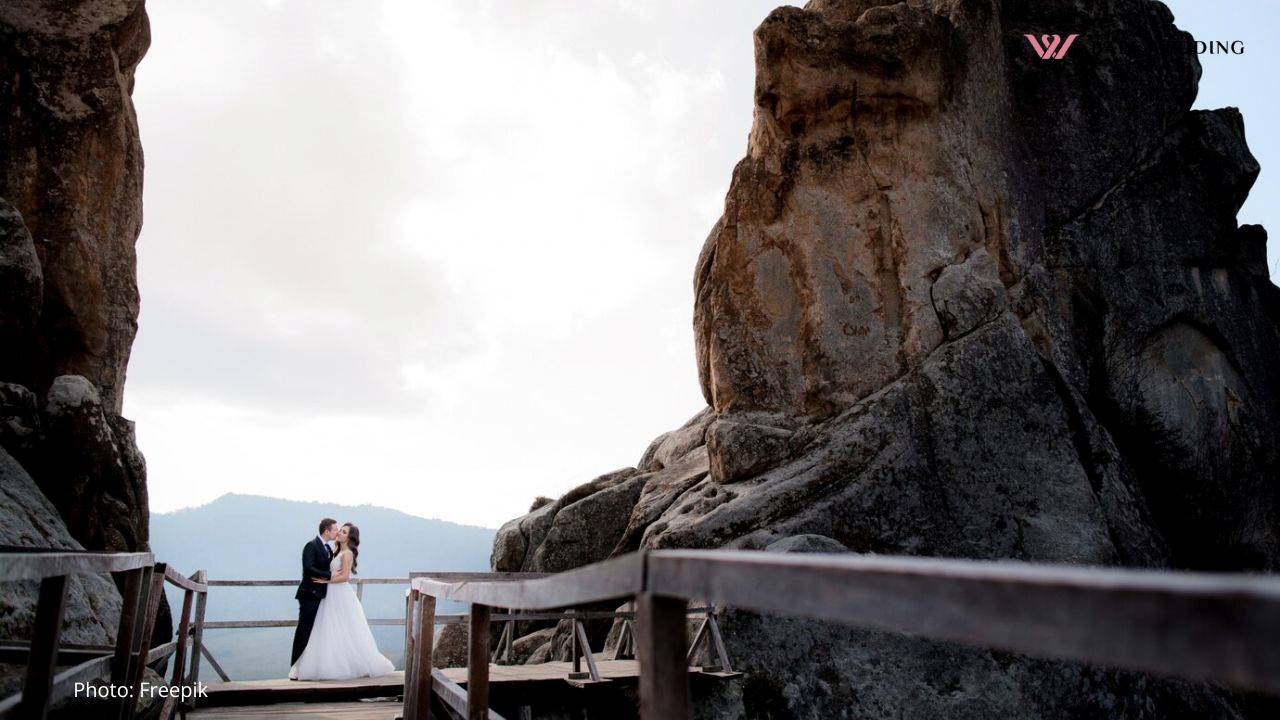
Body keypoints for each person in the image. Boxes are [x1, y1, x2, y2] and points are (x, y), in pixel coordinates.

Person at [289, 522, 395, 680]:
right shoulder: (334, 550)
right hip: (327, 594)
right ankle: (312, 665)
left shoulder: (347, 554)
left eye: (343, 532)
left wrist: (326, 581)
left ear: (349, 538)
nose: (339, 533)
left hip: (338, 592)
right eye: (339, 531)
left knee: (343, 628)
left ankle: (350, 664)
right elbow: (315, 568)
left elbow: (345, 577)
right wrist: (327, 579)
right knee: (326, 628)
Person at [291, 518, 339, 666]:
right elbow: (308, 567)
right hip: (309, 594)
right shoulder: (311, 546)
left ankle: (309, 666)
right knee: (304, 630)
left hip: (321, 595)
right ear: (327, 531)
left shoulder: (328, 548)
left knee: (316, 632)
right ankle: (295, 666)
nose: (337, 532)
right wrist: (329, 575)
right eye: (335, 529)